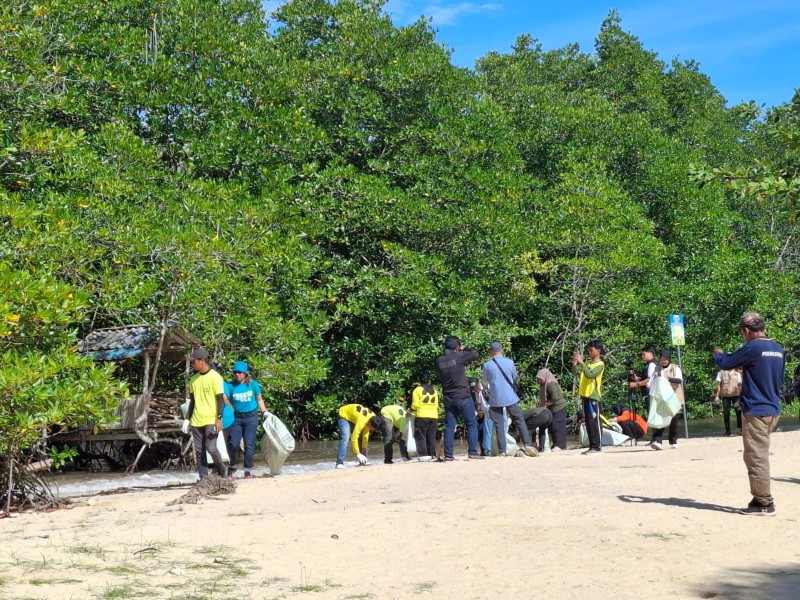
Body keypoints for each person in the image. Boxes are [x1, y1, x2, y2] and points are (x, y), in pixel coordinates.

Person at [714, 312, 785, 516]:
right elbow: (777, 378)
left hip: (756, 410)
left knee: (756, 457)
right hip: (772, 408)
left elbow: (725, 363)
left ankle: (764, 503)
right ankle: (757, 498)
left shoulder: (753, 347)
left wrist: (718, 354)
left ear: (746, 330)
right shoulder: (778, 348)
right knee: (754, 455)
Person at [482, 342, 538, 457]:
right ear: (502, 350)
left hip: (495, 398)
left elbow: (485, 382)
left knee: (499, 424)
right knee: (519, 420)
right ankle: (527, 445)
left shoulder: (487, 365)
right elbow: (514, 378)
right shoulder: (510, 362)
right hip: (510, 396)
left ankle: (502, 451)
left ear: (491, 352)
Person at [435, 336, 483, 461]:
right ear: (457, 347)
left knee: (449, 426)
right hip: (462, 396)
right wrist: (464, 348)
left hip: (448, 397)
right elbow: (475, 354)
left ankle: (449, 455)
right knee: (471, 424)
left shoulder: (439, 360)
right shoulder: (459, 356)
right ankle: (473, 452)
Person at [182, 348, 227, 479]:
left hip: (211, 420)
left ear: (202, 361)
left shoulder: (215, 377)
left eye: (194, 361)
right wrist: (187, 419)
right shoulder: (193, 379)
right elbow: (193, 401)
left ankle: (221, 468)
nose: (192, 364)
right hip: (197, 421)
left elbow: (220, 399)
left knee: (211, 448)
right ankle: (203, 477)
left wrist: (219, 418)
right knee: (199, 450)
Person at [224, 361, 269, 479]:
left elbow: (259, 399)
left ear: (245, 373)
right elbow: (224, 398)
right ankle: (232, 467)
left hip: (251, 417)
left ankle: (247, 471)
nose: (237, 374)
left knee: (249, 445)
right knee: (233, 443)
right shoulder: (230, 385)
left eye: (239, 372)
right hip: (236, 418)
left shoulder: (253, 384)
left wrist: (264, 411)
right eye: (235, 372)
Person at [572, 339, 605, 455]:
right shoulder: (589, 364)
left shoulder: (600, 365)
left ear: (598, 351)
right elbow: (577, 372)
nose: (589, 352)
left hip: (593, 396)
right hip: (585, 395)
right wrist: (575, 363)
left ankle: (597, 447)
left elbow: (589, 374)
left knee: (594, 422)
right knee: (589, 422)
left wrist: (582, 362)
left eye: (591, 350)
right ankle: (592, 446)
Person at [649, 350, 684, 450]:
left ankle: (673, 441)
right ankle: (658, 440)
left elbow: (679, 380)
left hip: (674, 396)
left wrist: (667, 378)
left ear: (669, 359)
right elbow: (652, 381)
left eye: (665, 360)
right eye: (662, 360)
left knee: (674, 418)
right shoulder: (657, 369)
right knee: (661, 417)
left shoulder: (675, 368)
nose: (663, 361)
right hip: (662, 397)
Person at [336, 404, 383, 469]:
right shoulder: (362, 421)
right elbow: (354, 437)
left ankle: (363, 462)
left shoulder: (373, 418)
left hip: (353, 417)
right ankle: (339, 463)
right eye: (373, 428)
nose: (373, 430)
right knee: (345, 438)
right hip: (343, 415)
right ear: (370, 424)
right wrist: (357, 453)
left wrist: (363, 451)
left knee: (362, 438)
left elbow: (365, 436)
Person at [410, 373, 439, 462]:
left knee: (420, 435)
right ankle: (432, 454)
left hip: (422, 415)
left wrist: (410, 411)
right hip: (434, 415)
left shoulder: (417, 390)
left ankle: (423, 455)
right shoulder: (434, 390)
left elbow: (415, 404)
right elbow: (436, 404)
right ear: (429, 380)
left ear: (419, 381)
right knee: (431, 436)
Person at [536, 368, 567, 451]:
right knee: (552, 426)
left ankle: (559, 445)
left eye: (540, 379)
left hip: (558, 407)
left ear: (544, 377)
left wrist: (546, 405)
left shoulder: (551, 384)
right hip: (552, 408)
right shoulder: (544, 384)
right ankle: (556, 444)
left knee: (557, 426)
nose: (539, 381)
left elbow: (555, 397)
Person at [713, 356, 742, 436]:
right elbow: (718, 385)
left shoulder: (737, 373)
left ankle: (740, 429)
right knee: (726, 413)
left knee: (738, 411)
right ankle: (727, 431)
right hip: (726, 396)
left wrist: (742, 395)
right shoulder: (721, 372)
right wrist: (717, 396)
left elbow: (740, 385)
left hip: (736, 395)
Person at [629, 347, 657, 415]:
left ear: (650, 354)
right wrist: (638, 378)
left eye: (644, 354)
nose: (642, 356)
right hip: (650, 394)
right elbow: (649, 377)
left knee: (652, 415)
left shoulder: (651, 364)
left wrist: (636, 384)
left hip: (651, 394)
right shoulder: (650, 364)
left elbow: (650, 379)